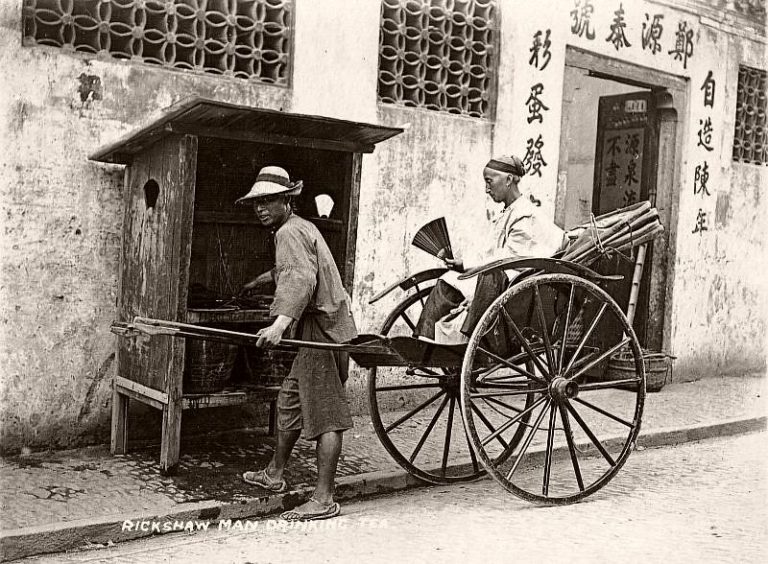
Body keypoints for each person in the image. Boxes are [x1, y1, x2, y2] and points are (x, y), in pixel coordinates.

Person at [237, 166, 356, 522]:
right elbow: (290, 270)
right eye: (257, 203)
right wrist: (258, 282)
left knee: (325, 416)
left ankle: (324, 499)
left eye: (269, 201)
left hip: (322, 333)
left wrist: (279, 324)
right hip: (319, 330)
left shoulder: (289, 232)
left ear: (287, 200)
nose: (261, 208)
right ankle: (274, 474)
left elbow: (301, 279)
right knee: (289, 401)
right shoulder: (299, 228)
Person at [415, 154, 565, 342]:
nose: (487, 189)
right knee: (448, 281)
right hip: (499, 275)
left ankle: (460, 340)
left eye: (489, 182)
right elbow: (491, 252)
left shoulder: (526, 215)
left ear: (509, 180)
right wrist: (465, 263)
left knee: (458, 281)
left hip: (511, 283)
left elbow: (512, 258)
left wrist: (468, 265)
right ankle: (429, 339)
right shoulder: (508, 212)